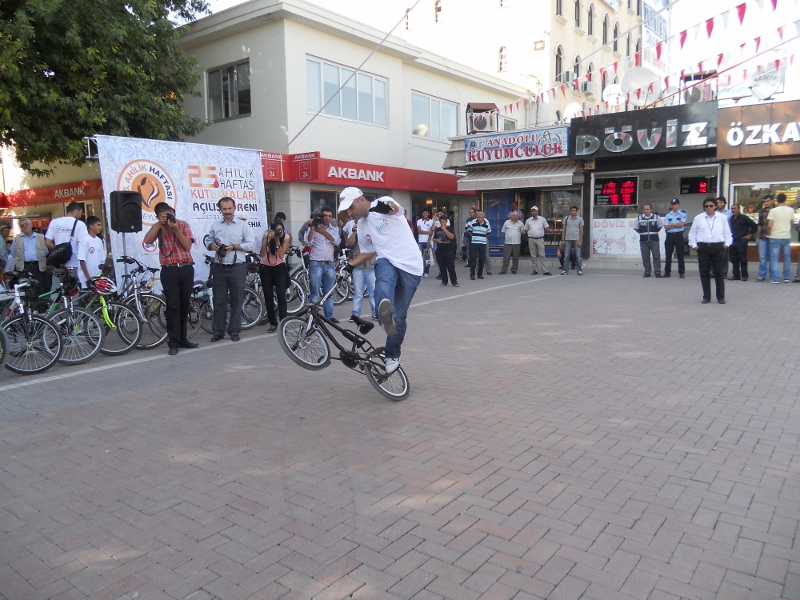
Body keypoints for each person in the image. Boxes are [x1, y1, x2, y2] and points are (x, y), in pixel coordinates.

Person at [338, 187, 422, 375]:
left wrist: (387, 206)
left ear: (361, 199)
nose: (350, 213)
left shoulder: (382, 203)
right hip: (387, 260)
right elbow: (369, 251)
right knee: (383, 275)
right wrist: (351, 265)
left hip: (411, 267)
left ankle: (392, 353)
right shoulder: (361, 226)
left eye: (351, 208)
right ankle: (383, 311)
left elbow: (396, 209)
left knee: (400, 317)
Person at [143, 202, 198, 355]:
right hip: (169, 270)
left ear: (173, 212)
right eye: (163, 216)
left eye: (168, 214)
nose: (167, 218)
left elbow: (187, 246)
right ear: (158, 217)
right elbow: (147, 241)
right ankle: (173, 342)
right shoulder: (158, 227)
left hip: (186, 268)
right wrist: (157, 225)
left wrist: (176, 229)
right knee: (173, 306)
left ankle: (183, 339)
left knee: (184, 305)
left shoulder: (183, 225)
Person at [204, 197, 256, 342]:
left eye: (229, 208)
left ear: (234, 208)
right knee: (219, 300)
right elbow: (208, 239)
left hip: (237, 267)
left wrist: (234, 247)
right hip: (219, 267)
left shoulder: (242, 226)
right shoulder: (215, 225)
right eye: (224, 209)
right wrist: (211, 245)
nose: (227, 211)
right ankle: (218, 331)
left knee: (236, 300)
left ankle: (234, 331)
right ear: (220, 209)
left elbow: (251, 244)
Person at [688, 198, 732, 304]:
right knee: (704, 273)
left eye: (711, 206)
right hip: (703, 247)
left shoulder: (722, 218)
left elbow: (727, 233)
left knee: (719, 273)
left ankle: (720, 297)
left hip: (718, 247)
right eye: (706, 206)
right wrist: (694, 246)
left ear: (715, 206)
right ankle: (706, 296)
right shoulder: (698, 218)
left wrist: (726, 245)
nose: (708, 208)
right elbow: (692, 234)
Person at [304, 205, 340, 322]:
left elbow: (337, 242)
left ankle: (329, 316)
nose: (327, 218)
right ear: (321, 216)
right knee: (314, 292)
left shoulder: (334, 230)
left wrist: (323, 232)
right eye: (325, 215)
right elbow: (308, 242)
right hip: (316, 263)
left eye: (329, 216)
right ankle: (313, 316)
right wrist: (313, 229)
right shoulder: (314, 227)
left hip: (329, 263)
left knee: (329, 292)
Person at [45, 201, 88, 288]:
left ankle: (55, 302)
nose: (80, 216)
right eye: (80, 213)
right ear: (76, 212)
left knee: (57, 291)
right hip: (73, 263)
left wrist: (58, 252)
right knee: (73, 292)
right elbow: (83, 245)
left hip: (58, 264)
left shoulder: (54, 222)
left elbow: (47, 242)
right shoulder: (80, 224)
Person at [259, 221, 291, 333]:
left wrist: (277, 240)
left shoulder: (286, 237)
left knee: (281, 296)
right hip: (265, 268)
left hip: (279, 268)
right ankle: (273, 323)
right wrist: (267, 241)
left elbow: (281, 255)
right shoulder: (266, 235)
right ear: (271, 230)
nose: (279, 232)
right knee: (268, 297)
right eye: (276, 230)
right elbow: (262, 254)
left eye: (280, 230)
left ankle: (283, 323)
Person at [343, 215, 377, 321]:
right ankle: (355, 314)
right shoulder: (354, 228)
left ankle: (375, 313)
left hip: (371, 265)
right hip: (358, 266)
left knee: (373, 292)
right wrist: (354, 233)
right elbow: (349, 243)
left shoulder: (373, 228)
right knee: (358, 292)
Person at [6, 217, 49, 290]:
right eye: (22, 225)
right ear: (21, 228)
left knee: (40, 288)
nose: (25, 226)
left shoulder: (40, 237)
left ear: (31, 225)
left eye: (26, 224)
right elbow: (13, 254)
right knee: (26, 289)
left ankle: (40, 302)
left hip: (38, 266)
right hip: (24, 267)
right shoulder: (17, 238)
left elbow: (46, 251)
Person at [767, 193, 794, 284]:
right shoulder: (791, 210)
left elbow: (770, 225)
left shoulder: (773, 211)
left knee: (774, 258)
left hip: (775, 236)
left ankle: (775, 278)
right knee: (787, 257)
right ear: (785, 199)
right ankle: (786, 277)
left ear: (776, 200)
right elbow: (792, 223)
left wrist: (769, 234)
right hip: (786, 236)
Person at [727, 204, 757, 281]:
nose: (733, 210)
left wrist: (749, 235)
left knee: (742, 259)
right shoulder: (731, 218)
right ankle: (736, 275)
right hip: (733, 240)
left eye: (735, 209)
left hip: (741, 241)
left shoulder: (744, 218)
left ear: (739, 209)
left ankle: (744, 276)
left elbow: (754, 225)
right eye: (732, 209)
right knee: (734, 259)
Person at [634, 204, 664, 278]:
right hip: (644, 241)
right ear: (643, 210)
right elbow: (636, 228)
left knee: (656, 256)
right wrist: (643, 233)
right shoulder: (639, 218)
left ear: (651, 209)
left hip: (654, 240)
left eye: (647, 209)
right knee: (645, 257)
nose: (646, 211)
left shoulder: (656, 217)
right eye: (645, 209)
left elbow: (659, 227)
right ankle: (647, 272)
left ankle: (657, 272)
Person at [77, 216, 106, 288]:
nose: (100, 227)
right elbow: (82, 260)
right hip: (86, 281)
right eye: (98, 225)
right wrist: (88, 278)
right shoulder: (85, 240)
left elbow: (102, 260)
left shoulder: (99, 240)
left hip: (98, 279)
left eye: (101, 225)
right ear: (91, 226)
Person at [523, 206, 551, 276]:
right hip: (531, 239)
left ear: (537, 212)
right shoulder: (528, 220)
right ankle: (535, 270)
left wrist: (541, 232)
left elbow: (547, 228)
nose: (533, 212)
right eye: (532, 211)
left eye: (535, 211)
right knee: (533, 256)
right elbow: (525, 229)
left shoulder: (542, 219)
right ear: (531, 212)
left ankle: (545, 271)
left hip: (540, 239)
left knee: (542, 255)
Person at [663, 199, 687, 278]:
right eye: (673, 204)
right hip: (669, 235)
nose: (674, 206)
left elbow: (682, 224)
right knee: (668, 254)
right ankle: (667, 272)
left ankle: (681, 272)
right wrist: (677, 224)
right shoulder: (668, 214)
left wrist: (672, 224)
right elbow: (666, 226)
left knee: (680, 254)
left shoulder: (682, 213)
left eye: (675, 204)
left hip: (678, 235)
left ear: (678, 204)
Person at [432, 215, 458, 287]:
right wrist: (436, 240)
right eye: (441, 222)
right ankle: (444, 281)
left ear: (446, 222)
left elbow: (452, 237)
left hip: (449, 250)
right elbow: (433, 238)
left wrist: (445, 230)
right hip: (440, 251)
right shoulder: (437, 230)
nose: (442, 223)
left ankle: (454, 281)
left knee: (451, 267)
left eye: (444, 222)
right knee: (442, 267)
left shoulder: (450, 228)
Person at [560, 206, 584, 276]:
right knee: (566, 256)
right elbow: (563, 229)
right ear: (570, 211)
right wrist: (562, 239)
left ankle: (579, 270)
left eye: (574, 211)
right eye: (571, 210)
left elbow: (581, 230)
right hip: (568, 239)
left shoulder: (580, 219)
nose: (573, 212)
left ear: (576, 211)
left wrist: (580, 240)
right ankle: (565, 270)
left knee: (578, 256)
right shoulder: (566, 218)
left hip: (576, 239)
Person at [468, 211, 490, 280]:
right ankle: (472, 274)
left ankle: (480, 274)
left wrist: (482, 238)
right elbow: (470, 231)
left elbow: (488, 233)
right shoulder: (473, 222)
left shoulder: (487, 223)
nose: (480, 219)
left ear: (484, 218)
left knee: (482, 259)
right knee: (473, 259)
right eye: (479, 217)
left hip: (483, 243)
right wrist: (475, 237)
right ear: (477, 217)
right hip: (474, 243)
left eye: (482, 217)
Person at [756, 195, 773, 282]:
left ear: (772, 201)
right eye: (765, 201)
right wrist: (757, 237)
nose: (766, 203)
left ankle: (772, 276)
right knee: (762, 257)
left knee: (772, 258)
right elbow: (759, 225)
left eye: (768, 201)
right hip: (762, 236)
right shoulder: (762, 211)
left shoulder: (775, 211)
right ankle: (762, 275)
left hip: (773, 237)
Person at [416, 210, 433, 278]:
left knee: (427, 258)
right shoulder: (419, 221)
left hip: (427, 241)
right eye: (424, 213)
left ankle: (426, 271)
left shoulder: (431, 221)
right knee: (420, 257)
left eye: (426, 213)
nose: (425, 214)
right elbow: (419, 231)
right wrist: (428, 232)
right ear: (422, 214)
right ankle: (420, 271)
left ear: (428, 213)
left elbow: (431, 233)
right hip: (420, 241)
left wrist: (428, 241)